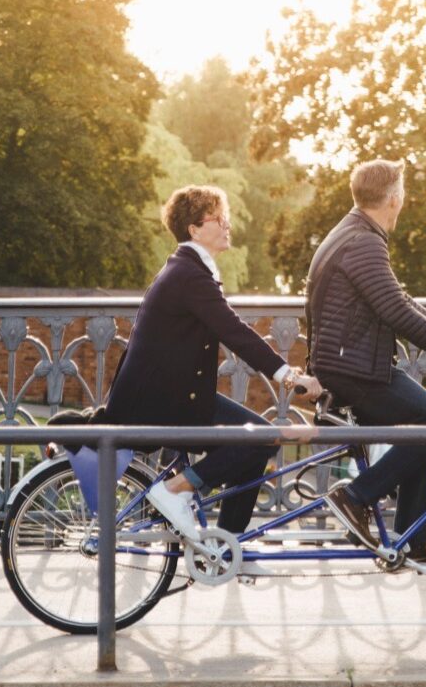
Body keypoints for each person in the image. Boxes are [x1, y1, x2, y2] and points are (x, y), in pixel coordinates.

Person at [57, 185, 302, 572]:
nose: (227, 226)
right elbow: (233, 331)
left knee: (257, 439)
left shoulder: (189, 269)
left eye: (226, 218)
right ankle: (176, 490)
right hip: (164, 403)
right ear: (194, 229)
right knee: (262, 438)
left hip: (175, 396)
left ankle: (225, 550)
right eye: (218, 219)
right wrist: (287, 373)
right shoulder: (190, 274)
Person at [308, 159, 426, 568]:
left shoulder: (354, 231)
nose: (403, 200)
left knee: (423, 429)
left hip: (348, 363)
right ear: (393, 199)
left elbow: (398, 299)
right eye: (403, 193)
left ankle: (410, 541)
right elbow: (395, 311)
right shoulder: (364, 241)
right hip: (353, 371)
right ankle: (354, 497)